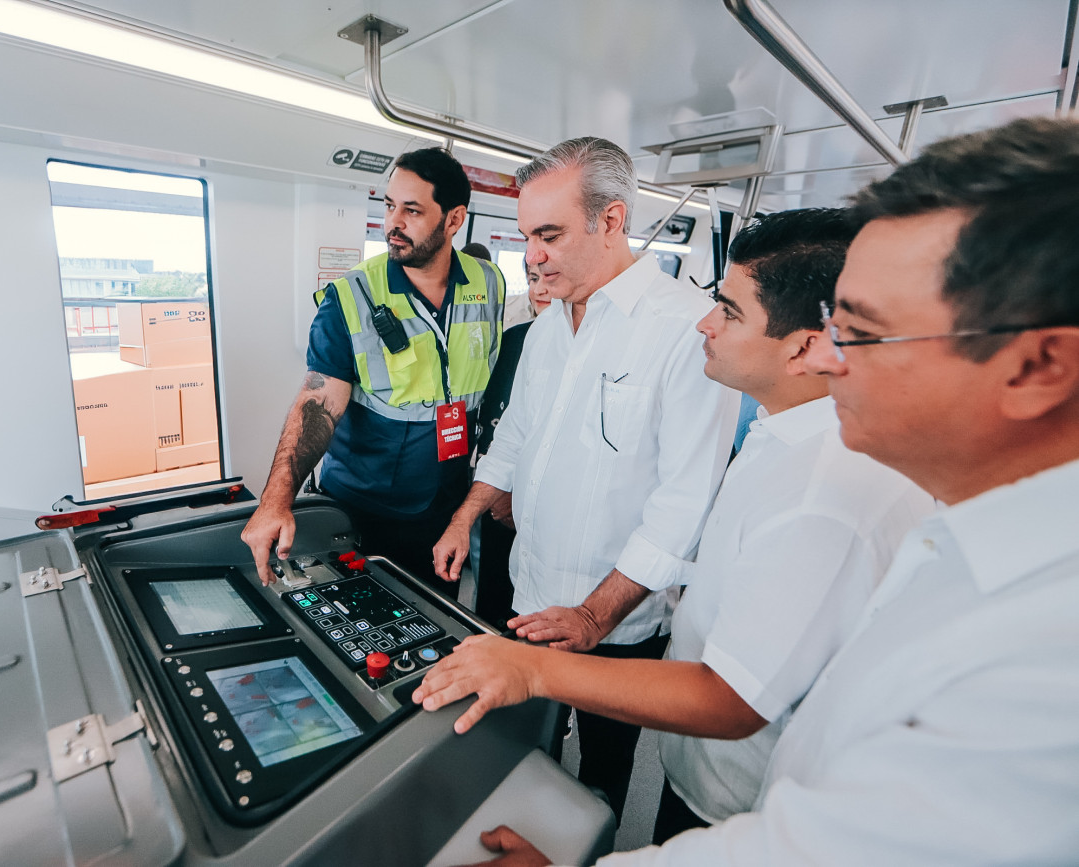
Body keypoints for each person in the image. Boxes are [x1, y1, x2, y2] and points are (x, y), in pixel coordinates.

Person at [440, 116, 1079, 866]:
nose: (824, 359)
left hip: (700, 746)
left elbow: (825, 840)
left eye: (862, 332)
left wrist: (551, 657)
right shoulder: (906, 508)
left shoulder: (1027, 644)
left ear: (1037, 367)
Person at [413, 205, 935, 842]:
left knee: (602, 788)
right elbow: (520, 435)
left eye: (730, 312)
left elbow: (732, 698)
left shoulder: (824, 492)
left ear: (804, 347)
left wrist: (537, 666)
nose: (706, 323)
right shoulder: (783, 439)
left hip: (744, 803)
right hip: (696, 757)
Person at [431, 137, 740, 823]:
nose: (531, 257)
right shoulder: (547, 329)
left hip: (617, 624)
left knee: (599, 780)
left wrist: (596, 616)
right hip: (530, 597)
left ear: (611, 220)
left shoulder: (683, 330)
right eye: (525, 237)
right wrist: (465, 516)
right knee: (524, 751)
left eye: (549, 236)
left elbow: (685, 502)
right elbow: (514, 436)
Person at [241, 147, 505, 598]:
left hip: (445, 504)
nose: (393, 223)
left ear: (454, 219)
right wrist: (276, 501)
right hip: (364, 508)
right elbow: (318, 402)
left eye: (412, 210)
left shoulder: (489, 282)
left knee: (432, 618)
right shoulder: (350, 296)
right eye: (388, 205)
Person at [472, 261, 552, 628]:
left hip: (544, 511)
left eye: (549, 279)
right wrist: (497, 491)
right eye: (533, 279)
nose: (539, 290)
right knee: (493, 607)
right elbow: (495, 420)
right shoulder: (513, 340)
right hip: (497, 498)